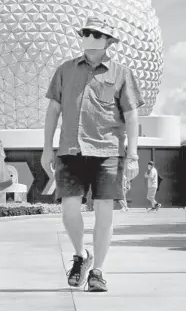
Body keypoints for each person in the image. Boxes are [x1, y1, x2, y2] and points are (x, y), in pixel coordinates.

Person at [41, 15, 144, 292]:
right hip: (70, 149)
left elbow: (132, 116)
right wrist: (46, 149)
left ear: (108, 41)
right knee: (69, 210)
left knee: (104, 214)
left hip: (108, 149)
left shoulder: (121, 73)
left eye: (97, 34)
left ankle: (97, 271)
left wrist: (133, 155)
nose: (90, 38)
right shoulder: (65, 70)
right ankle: (81, 255)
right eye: (87, 33)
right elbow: (53, 110)